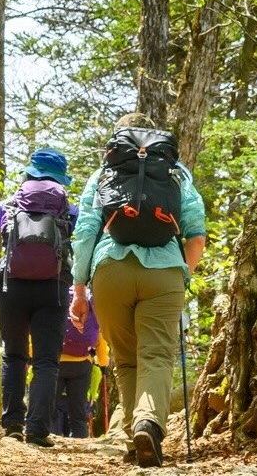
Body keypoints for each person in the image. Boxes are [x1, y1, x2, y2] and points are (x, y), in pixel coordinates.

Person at [70, 113, 206, 468]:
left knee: (127, 359)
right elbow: (196, 235)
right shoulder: (176, 173)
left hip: (110, 270)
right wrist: (182, 275)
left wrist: (79, 290)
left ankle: (135, 439)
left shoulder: (104, 174)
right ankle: (148, 424)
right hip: (165, 271)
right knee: (157, 356)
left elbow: (85, 232)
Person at [0, 147, 75, 447]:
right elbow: (87, 235)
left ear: (30, 173)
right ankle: (37, 430)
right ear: (60, 179)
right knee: (46, 360)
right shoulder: (67, 208)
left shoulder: (11, 204)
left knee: (14, 354)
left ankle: (13, 424)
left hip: (12, 284)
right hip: (53, 286)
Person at [51, 289, 101, 438]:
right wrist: (102, 362)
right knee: (78, 410)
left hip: (56, 362)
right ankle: (80, 440)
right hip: (81, 364)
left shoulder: (58, 294)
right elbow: (100, 340)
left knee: (51, 407)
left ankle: (50, 436)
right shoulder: (90, 301)